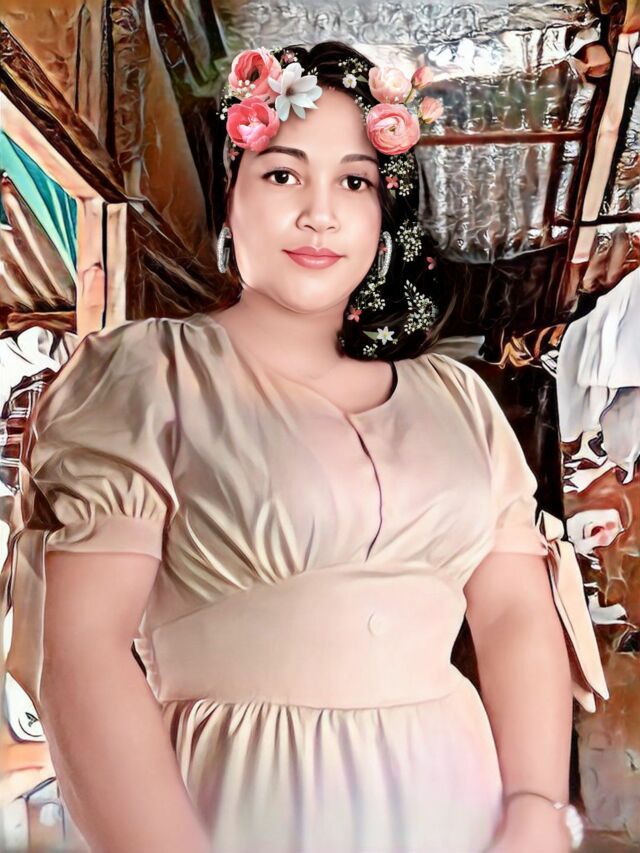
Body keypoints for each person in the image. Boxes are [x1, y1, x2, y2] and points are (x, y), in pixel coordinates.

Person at [5, 41, 609, 853]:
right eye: (283, 174)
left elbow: (513, 612)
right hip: (237, 807)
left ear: (385, 213)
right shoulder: (146, 377)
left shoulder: (459, 398)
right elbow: (83, 652)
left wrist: (536, 806)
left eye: (354, 182)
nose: (320, 213)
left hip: (460, 807)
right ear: (230, 195)